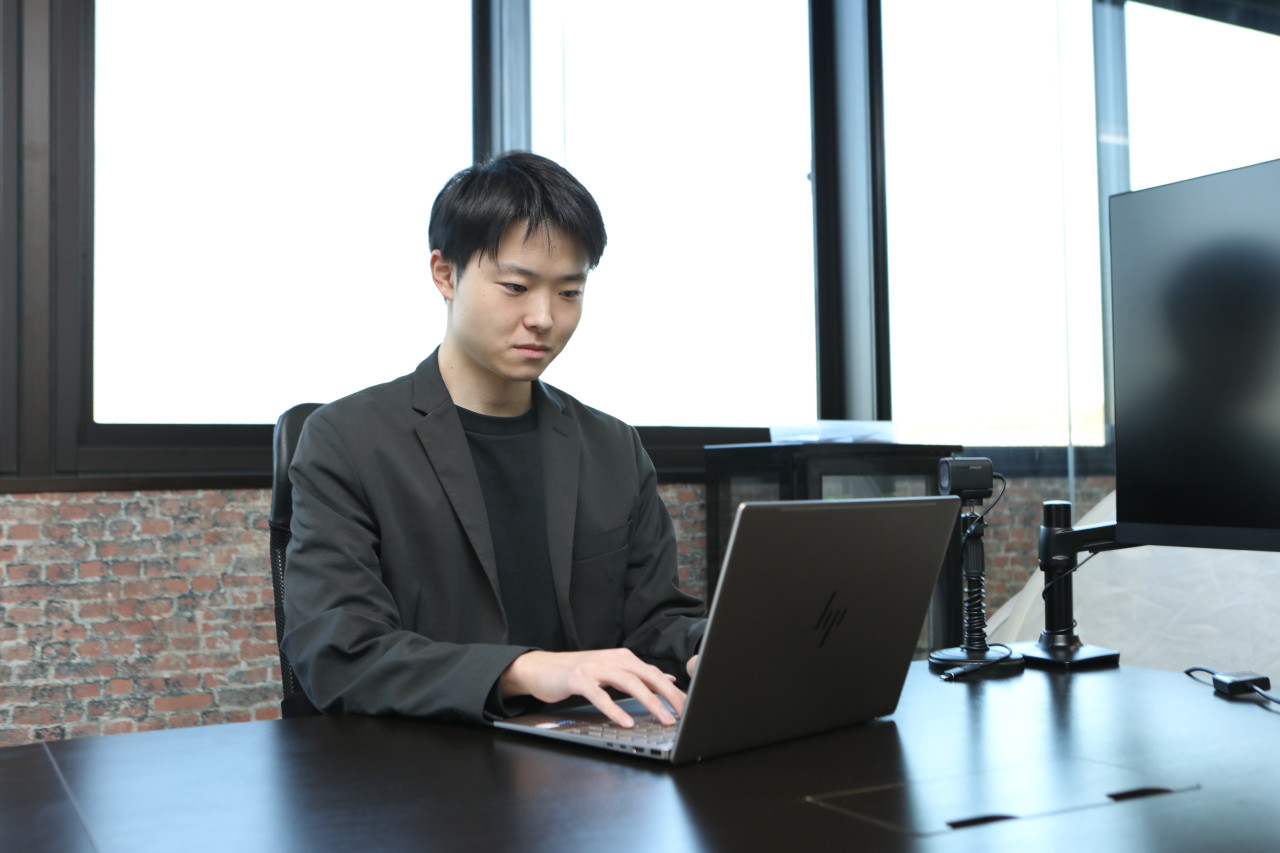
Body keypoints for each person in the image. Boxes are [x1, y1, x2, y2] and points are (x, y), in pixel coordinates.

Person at [281, 152, 706, 729]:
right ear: (444, 274)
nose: (543, 318)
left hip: (588, 755)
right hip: (423, 761)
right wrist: (527, 670)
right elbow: (340, 653)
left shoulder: (613, 447)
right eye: (515, 286)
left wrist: (707, 644)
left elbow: (654, 625)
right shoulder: (347, 441)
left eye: (569, 292)